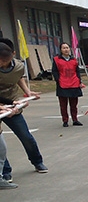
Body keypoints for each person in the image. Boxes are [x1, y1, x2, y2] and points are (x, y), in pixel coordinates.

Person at [0, 40, 47, 177]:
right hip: (2, 105)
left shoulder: (19, 66)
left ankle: (37, 161)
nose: (2, 64)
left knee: (25, 135)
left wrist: (27, 92)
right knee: (0, 144)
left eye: (4, 61)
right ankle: (5, 171)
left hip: (12, 101)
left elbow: (19, 77)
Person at [52, 42, 83, 127]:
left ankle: (75, 119)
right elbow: (54, 71)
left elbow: (77, 71)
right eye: (64, 48)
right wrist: (58, 80)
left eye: (67, 48)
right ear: (61, 50)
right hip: (62, 84)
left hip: (74, 83)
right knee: (63, 105)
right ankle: (65, 120)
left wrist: (79, 81)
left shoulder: (74, 60)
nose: (66, 49)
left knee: (74, 104)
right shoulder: (56, 60)